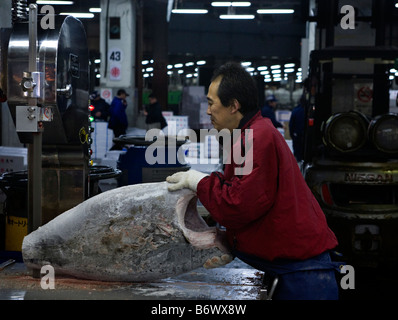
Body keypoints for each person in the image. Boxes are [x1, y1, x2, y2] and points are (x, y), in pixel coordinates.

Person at [166, 62, 340, 300]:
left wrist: (198, 181)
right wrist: (232, 242)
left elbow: (238, 205)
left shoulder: (257, 138)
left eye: (211, 103)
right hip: (290, 268)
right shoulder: (250, 134)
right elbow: (246, 194)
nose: (207, 111)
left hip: (304, 275)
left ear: (233, 106)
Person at [289, 95, 306, 162]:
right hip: (305, 136)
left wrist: (292, 135)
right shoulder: (308, 111)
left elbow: (291, 124)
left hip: (297, 136)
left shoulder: (295, 111)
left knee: (297, 155)